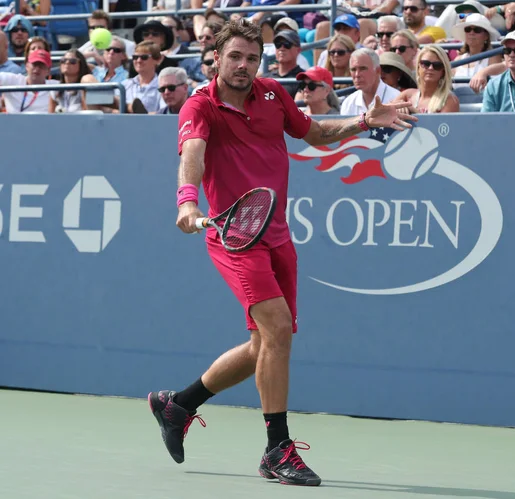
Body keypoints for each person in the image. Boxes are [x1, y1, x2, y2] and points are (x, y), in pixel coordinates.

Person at [148, 18, 416, 487]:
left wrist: (363, 121)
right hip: (234, 238)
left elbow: (312, 133)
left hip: (276, 235)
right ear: (216, 57)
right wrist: (187, 202)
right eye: (235, 57)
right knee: (277, 332)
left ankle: (179, 405)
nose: (244, 66)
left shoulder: (272, 94)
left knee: (265, 345)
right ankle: (277, 449)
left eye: (252, 58)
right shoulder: (199, 106)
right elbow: (191, 153)